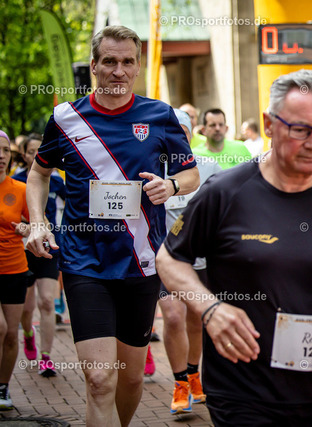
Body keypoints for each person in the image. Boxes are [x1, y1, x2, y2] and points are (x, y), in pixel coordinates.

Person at [156, 69, 312, 426]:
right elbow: (169, 258)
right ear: (268, 124)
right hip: (242, 386)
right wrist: (210, 308)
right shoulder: (225, 192)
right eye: (300, 130)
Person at [25, 25, 199, 426]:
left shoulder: (161, 116)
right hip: (84, 262)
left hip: (141, 262)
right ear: (93, 65)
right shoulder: (66, 118)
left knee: (131, 378)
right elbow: (38, 173)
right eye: (109, 61)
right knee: (101, 379)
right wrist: (38, 222)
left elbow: (190, 174)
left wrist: (171, 185)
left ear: (137, 67)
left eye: (127, 62)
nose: (118, 71)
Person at [159, 108, 222, 415]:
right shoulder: (151, 169)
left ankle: (194, 374)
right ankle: (179, 383)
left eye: (182, 132)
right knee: (173, 317)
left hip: (202, 260)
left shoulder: (208, 166)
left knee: (196, 321)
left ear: (190, 134)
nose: (177, 137)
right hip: (166, 259)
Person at [13, 133, 66, 377]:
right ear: (24, 155)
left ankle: (46, 358)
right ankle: (28, 334)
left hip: (49, 247)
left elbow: (74, 204)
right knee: (26, 308)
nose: (36, 154)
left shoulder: (55, 181)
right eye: (31, 151)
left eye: (39, 150)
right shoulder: (16, 181)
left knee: (46, 301)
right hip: (23, 249)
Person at [0, 130, 31, 410]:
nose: (1, 156)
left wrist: (27, 228)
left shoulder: (20, 189)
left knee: (11, 334)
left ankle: (3, 387)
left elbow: (39, 226)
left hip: (14, 269)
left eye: (5, 151)